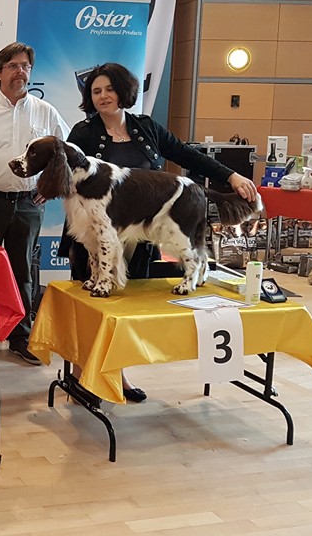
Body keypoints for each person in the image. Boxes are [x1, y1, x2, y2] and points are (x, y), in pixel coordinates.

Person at [65, 62, 259, 402]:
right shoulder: (82, 133)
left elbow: (186, 155)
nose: (103, 96)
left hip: (141, 235)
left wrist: (231, 176)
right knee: (92, 310)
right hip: (96, 239)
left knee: (126, 315)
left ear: (123, 91)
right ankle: (83, 375)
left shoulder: (145, 128)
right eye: (96, 91)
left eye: (109, 89)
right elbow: (64, 173)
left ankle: (119, 374)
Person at [0, 42, 68, 367]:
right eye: (13, 66)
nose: (20, 71)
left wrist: (50, 186)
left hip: (28, 204)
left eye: (25, 66)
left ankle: (20, 337)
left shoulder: (45, 111)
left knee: (24, 273)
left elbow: (66, 153)